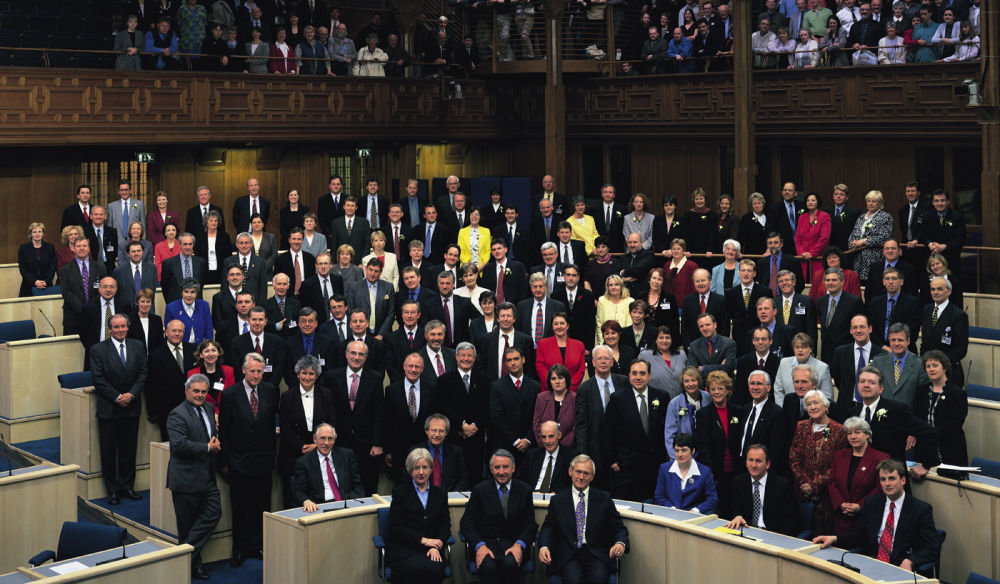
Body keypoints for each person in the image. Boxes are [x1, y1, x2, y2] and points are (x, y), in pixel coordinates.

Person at [813, 459, 941, 574]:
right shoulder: (872, 503)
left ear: (903, 480)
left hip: (899, 568)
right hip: (872, 564)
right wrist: (834, 538)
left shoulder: (920, 509)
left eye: (892, 478)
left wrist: (910, 560)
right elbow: (861, 536)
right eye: (883, 479)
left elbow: (932, 548)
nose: (887, 484)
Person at [219, 352, 278, 566]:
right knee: (240, 508)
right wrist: (225, 463)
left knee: (261, 506)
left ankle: (257, 545)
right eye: (252, 371)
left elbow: (270, 427)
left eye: (259, 371)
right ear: (243, 370)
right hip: (239, 462)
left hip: (263, 462)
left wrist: (271, 458)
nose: (255, 375)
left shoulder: (270, 390)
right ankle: (240, 549)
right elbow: (224, 431)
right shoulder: (230, 394)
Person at [538, 454, 629, 582]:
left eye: (586, 473)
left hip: (597, 554)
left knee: (598, 579)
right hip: (568, 555)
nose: (581, 477)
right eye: (578, 472)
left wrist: (620, 543)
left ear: (592, 477)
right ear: (570, 472)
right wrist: (544, 547)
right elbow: (548, 528)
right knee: (573, 580)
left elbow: (619, 527)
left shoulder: (604, 498)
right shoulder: (558, 500)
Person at [166, 374, 221, 581]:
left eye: (203, 392)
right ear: (187, 390)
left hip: (207, 477)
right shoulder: (177, 414)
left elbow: (211, 435)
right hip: (185, 479)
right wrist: (207, 447)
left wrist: (215, 443)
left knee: (214, 513)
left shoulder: (209, 408)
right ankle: (193, 566)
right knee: (187, 526)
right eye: (196, 391)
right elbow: (179, 445)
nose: (200, 395)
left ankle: (182, 557)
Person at [90, 313, 146, 506]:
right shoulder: (98, 349)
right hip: (109, 409)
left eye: (123, 326)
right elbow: (98, 379)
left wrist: (131, 394)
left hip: (132, 407)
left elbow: (143, 373)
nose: (120, 330)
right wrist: (117, 397)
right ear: (110, 330)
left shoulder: (138, 346)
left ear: (128, 328)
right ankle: (112, 491)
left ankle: (127, 487)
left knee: (129, 451)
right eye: (116, 327)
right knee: (108, 452)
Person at [459, 450, 538, 584]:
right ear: (491, 469)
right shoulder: (479, 490)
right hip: (487, 544)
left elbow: (530, 524)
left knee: (510, 564)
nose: (501, 472)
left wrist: (519, 545)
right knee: (488, 566)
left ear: (513, 468)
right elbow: (467, 524)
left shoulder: (524, 490)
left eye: (505, 467)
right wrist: (480, 546)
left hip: (513, 544)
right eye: (497, 467)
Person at [604, 359, 669, 502]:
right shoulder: (617, 398)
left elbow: (666, 430)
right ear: (629, 375)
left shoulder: (662, 397)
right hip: (626, 466)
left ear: (649, 376)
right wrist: (613, 461)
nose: (638, 377)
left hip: (654, 467)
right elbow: (608, 431)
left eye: (642, 373)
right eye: (634, 373)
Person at [385, 448, 451, 584]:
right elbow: (396, 528)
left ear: (431, 469)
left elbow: (445, 524)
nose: (421, 472)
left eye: (425, 467)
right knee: (415, 569)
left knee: (434, 568)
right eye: (416, 468)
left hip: (432, 549)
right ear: (410, 470)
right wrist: (424, 541)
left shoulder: (441, 493)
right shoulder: (400, 493)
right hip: (405, 548)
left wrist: (436, 545)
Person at [278, 355, 337, 506]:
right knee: (292, 500)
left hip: (320, 452)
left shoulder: (327, 394)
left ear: (317, 376)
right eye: (304, 373)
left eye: (311, 373)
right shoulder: (287, 396)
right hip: (293, 454)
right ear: (298, 374)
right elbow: (285, 428)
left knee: (316, 500)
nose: (307, 377)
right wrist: (302, 446)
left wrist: (317, 445)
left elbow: (331, 423)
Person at [789, 390, 848, 533]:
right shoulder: (801, 426)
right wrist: (804, 483)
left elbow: (837, 464)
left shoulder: (838, 430)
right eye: (809, 404)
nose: (812, 407)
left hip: (826, 494)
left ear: (826, 406)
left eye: (816, 403)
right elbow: (793, 457)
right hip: (802, 492)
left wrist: (814, 485)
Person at [436, 342, 489, 483]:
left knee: (476, 477)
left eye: (469, 355)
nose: (466, 358)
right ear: (456, 357)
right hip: (454, 437)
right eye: (463, 355)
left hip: (476, 437)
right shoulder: (444, 380)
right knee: (455, 477)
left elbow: (487, 407)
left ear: (474, 358)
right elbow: (443, 406)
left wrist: (475, 425)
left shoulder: (484, 380)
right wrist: (462, 425)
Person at [694, 371, 745, 517]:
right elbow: (703, 445)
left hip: (737, 470)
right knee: (720, 510)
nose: (716, 392)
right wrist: (709, 470)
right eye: (713, 389)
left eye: (720, 388)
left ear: (728, 390)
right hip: (715, 472)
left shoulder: (738, 411)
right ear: (708, 391)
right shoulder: (703, 414)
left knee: (735, 508)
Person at [829, 416, 890, 534]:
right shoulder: (839, 455)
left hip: (866, 517)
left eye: (857, 432)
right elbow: (832, 482)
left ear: (867, 435)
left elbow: (880, 487)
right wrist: (841, 503)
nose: (853, 436)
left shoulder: (881, 458)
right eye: (849, 433)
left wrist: (860, 505)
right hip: (841, 516)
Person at [384, 353, 439, 483]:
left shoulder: (432, 388)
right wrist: (388, 450)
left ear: (422, 369)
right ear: (404, 366)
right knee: (401, 486)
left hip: (425, 449)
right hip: (399, 450)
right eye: (410, 366)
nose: (413, 370)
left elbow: (435, 418)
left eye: (417, 367)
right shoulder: (391, 390)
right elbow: (387, 422)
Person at [725, 444, 800, 534]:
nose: (753, 465)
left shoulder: (782, 485)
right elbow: (734, 509)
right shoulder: (739, 482)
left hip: (772, 534)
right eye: (750, 460)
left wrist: (775, 538)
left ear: (767, 464)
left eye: (758, 461)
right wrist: (738, 516)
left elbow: (792, 520)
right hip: (746, 532)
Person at [912, 350, 968, 466]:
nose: (931, 369)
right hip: (924, 446)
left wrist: (930, 434)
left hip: (950, 448)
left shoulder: (957, 393)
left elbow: (956, 422)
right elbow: (915, 416)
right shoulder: (921, 390)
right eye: (928, 366)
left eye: (935, 365)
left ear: (945, 368)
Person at [145, 319, 196, 441]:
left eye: (180, 331)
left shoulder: (194, 350)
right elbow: (150, 385)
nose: (177, 334)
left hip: (193, 406)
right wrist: (153, 411)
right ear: (166, 333)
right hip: (167, 410)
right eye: (174, 331)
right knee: (170, 445)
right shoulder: (155, 355)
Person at [488, 348, 541, 463]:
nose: (513, 363)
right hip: (505, 445)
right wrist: (515, 441)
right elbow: (496, 417)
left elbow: (538, 416)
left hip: (529, 446)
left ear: (523, 360)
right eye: (509, 360)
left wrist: (528, 439)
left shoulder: (535, 386)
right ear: (505, 363)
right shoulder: (497, 386)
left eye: (516, 359)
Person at [832, 314, 888, 411]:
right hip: (846, 409)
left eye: (862, 327)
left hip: (873, 408)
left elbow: (884, 382)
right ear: (851, 331)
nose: (858, 330)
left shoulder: (882, 355)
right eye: (855, 327)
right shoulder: (840, 352)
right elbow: (838, 380)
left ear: (870, 329)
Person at [920, 277, 969, 387]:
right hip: (927, 372)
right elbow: (925, 342)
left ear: (949, 292)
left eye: (939, 289)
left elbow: (960, 349)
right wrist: (926, 362)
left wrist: (939, 364)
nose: (935, 292)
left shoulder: (958, 315)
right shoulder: (926, 309)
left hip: (949, 372)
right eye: (933, 289)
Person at [654, 432, 718, 513]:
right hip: (669, 514)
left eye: (684, 450)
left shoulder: (705, 472)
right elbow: (659, 496)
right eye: (677, 450)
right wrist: (672, 510)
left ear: (693, 451)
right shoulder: (664, 469)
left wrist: (695, 511)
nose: (680, 454)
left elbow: (712, 499)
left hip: (693, 516)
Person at [871, 323, 927, 407]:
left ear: (908, 341)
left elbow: (923, 397)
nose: (896, 343)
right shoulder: (878, 362)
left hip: (909, 414)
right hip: (883, 413)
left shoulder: (920, 364)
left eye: (900, 340)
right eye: (893, 340)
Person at [59, 236, 106, 335]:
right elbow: (66, 293)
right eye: (78, 246)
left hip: (95, 316)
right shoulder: (65, 270)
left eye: (84, 246)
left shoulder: (99, 267)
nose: (81, 248)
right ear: (73, 249)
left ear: (89, 248)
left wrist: (91, 308)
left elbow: (103, 289)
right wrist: (83, 309)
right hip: (73, 318)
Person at [773, 333, 834, 406]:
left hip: (813, 410)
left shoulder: (823, 368)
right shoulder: (784, 363)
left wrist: (813, 410)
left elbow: (827, 397)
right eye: (797, 347)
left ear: (810, 349)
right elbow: (778, 390)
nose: (800, 350)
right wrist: (783, 409)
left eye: (804, 347)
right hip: (788, 409)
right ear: (793, 349)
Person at [517, 420, 578, 493]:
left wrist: (558, 494)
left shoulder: (571, 456)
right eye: (544, 437)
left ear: (559, 435)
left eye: (551, 436)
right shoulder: (532, 455)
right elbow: (519, 479)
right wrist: (529, 492)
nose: (547, 441)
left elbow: (575, 484)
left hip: (557, 497)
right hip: (533, 496)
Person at [664, 368, 711, 459]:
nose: (690, 384)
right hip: (683, 454)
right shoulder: (674, 404)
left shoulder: (707, 397)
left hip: (706, 452)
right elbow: (669, 436)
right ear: (682, 384)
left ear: (699, 381)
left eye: (693, 380)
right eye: (686, 381)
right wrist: (676, 459)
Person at [848, 191, 894, 280]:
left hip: (874, 259)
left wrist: (864, 241)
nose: (870, 203)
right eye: (868, 201)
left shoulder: (886, 217)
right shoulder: (861, 217)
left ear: (880, 203)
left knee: (872, 283)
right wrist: (853, 243)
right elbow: (854, 233)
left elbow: (885, 237)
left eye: (874, 201)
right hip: (858, 259)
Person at [535, 314, 586, 392]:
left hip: (572, 391)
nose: (559, 326)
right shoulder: (543, 344)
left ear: (567, 326)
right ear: (552, 327)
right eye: (556, 324)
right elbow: (540, 367)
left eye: (562, 323)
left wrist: (568, 387)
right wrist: (552, 385)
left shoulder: (579, 345)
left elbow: (581, 369)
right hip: (549, 391)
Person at [532, 365, 578, 448]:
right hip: (545, 447)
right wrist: (546, 444)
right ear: (550, 381)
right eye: (553, 379)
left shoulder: (576, 399)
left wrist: (561, 448)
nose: (557, 382)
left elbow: (576, 427)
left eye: (560, 378)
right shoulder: (541, 398)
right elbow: (537, 425)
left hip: (568, 448)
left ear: (566, 379)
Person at [639, 326, 688, 399]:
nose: (664, 341)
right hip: (656, 400)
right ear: (656, 340)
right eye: (661, 338)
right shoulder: (645, 355)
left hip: (680, 401)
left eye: (667, 338)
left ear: (671, 340)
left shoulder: (682, 355)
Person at [186, 339, 234, 408]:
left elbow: (231, 395)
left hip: (226, 411)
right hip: (203, 411)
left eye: (213, 350)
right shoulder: (192, 374)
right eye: (207, 351)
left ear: (218, 353)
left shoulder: (229, 371)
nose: (211, 354)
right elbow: (192, 399)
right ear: (201, 355)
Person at [161, 233, 206, 305]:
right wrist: (171, 304)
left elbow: (201, 284)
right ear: (179, 245)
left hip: (196, 304)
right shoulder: (168, 263)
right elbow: (165, 287)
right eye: (185, 244)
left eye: (190, 244)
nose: (188, 247)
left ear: (193, 245)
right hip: (176, 305)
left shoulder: (201, 262)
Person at [17, 222, 57, 297]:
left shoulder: (50, 247)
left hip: (46, 286)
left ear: (43, 233)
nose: (37, 234)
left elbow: (52, 266)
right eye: (34, 232)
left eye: (39, 231)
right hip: (28, 287)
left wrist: (46, 281)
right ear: (30, 234)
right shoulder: (23, 248)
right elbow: (23, 269)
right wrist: (35, 282)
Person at [194, 211, 232, 286]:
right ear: (206, 222)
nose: (213, 223)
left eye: (215, 220)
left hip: (221, 271)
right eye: (211, 220)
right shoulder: (200, 237)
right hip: (204, 272)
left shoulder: (225, 237)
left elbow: (228, 255)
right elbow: (197, 255)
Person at [129, 288, 164, 355]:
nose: (145, 304)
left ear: (151, 303)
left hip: (154, 358)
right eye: (142, 301)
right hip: (136, 358)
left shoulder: (157, 320)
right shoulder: (130, 320)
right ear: (137, 302)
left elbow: (161, 342)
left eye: (148, 302)